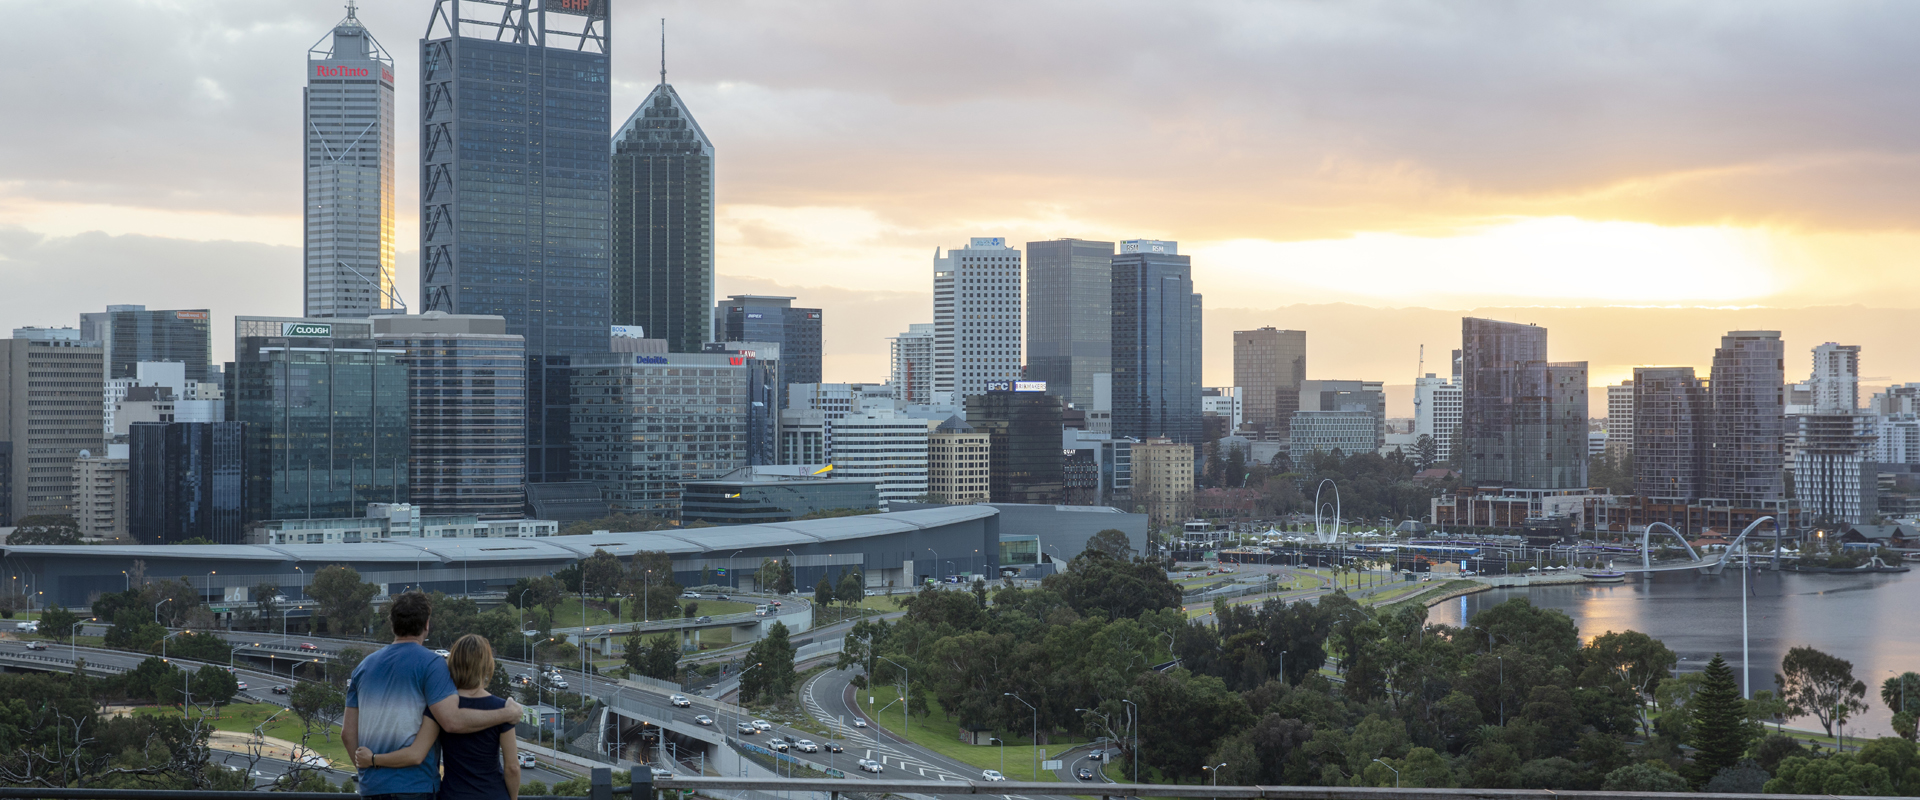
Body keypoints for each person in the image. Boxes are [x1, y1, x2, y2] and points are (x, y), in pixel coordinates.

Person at [345, 592, 522, 800]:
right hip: (416, 787)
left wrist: (369, 770)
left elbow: (347, 735)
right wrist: (507, 714)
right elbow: (451, 721)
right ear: (427, 625)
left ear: (392, 624)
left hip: (373, 789)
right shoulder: (432, 665)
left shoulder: (363, 668)